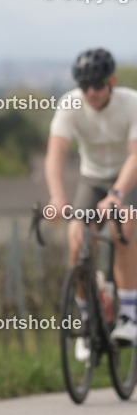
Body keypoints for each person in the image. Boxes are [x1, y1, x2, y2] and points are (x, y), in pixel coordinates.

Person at [46, 47, 137, 362]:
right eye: (85, 87)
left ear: (111, 81)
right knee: (76, 242)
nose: (91, 92)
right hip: (92, 179)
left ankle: (128, 315)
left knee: (122, 224)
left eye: (97, 85)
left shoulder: (131, 103)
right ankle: (87, 320)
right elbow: (55, 155)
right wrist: (58, 197)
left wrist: (118, 194)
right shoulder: (71, 103)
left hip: (128, 177)